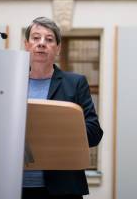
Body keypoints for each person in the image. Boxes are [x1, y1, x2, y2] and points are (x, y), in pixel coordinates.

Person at [22, 17, 103, 199]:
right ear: (27, 45)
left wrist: (59, 129)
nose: (42, 43)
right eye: (36, 38)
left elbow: (94, 133)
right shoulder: (10, 83)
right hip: (13, 186)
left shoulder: (75, 83)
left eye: (49, 39)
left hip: (63, 189)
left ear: (58, 49)